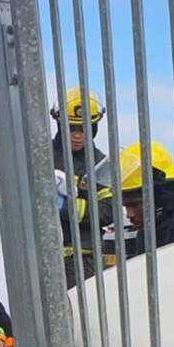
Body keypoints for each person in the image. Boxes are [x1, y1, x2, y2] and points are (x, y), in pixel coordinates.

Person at [51, 88, 114, 284]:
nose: (78, 135)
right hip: (43, 257)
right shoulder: (40, 157)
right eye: (72, 128)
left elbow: (109, 211)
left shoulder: (101, 164)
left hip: (85, 260)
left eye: (85, 128)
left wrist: (66, 208)